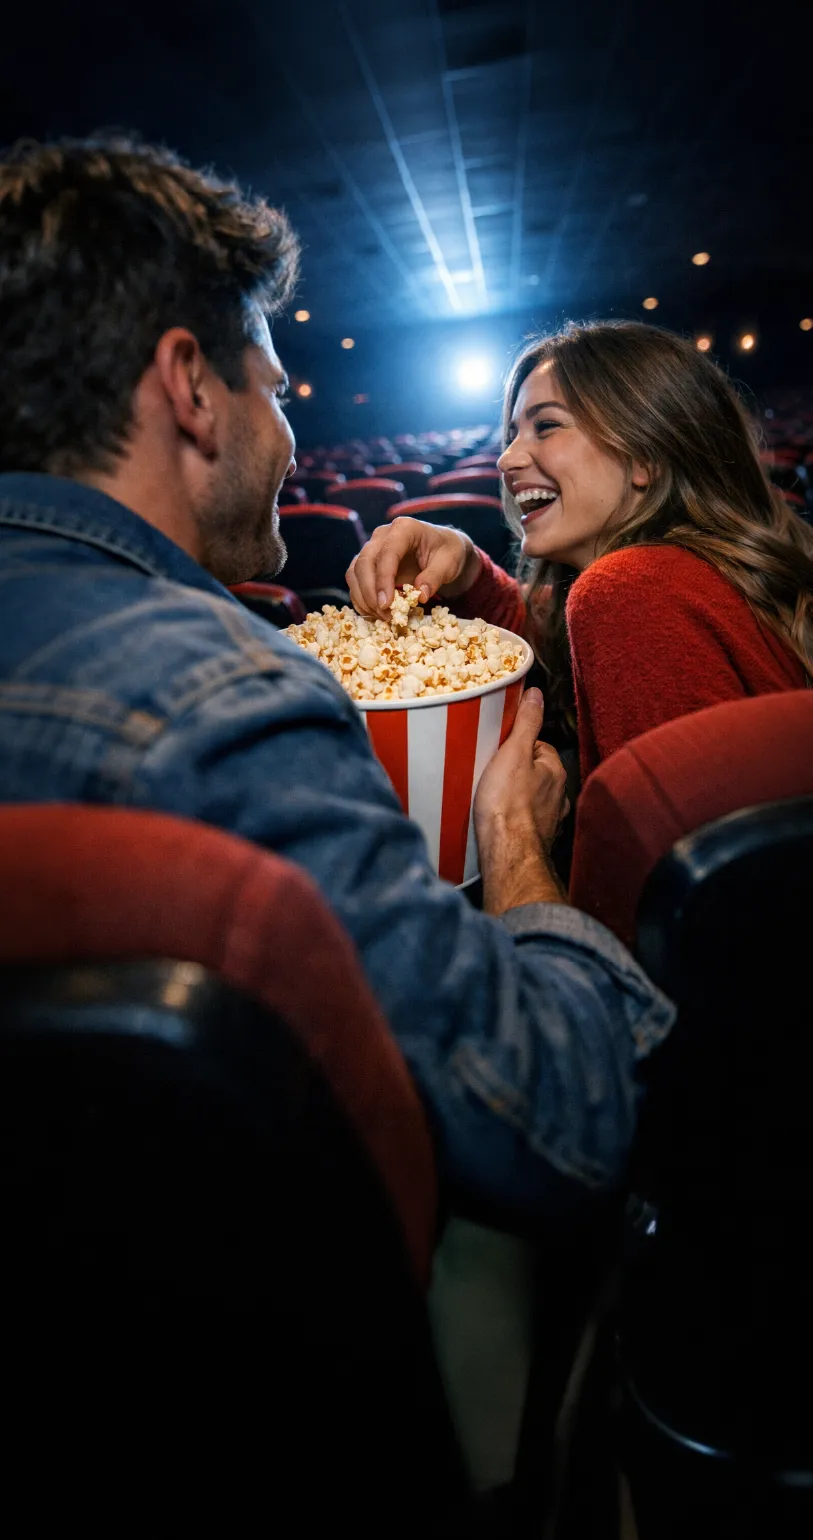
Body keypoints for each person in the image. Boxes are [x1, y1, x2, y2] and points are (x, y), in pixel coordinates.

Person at [0, 136, 674, 1222]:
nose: (290, 431)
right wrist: (512, 839)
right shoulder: (231, 701)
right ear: (190, 388)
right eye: (275, 388)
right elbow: (566, 1115)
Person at [348, 321, 813, 802]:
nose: (505, 459)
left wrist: (515, 834)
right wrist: (467, 566)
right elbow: (546, 626)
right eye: (512, 434)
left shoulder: (632, 589)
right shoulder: (692, 575)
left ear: (645, 455)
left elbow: (667, 846)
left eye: (546, 426)